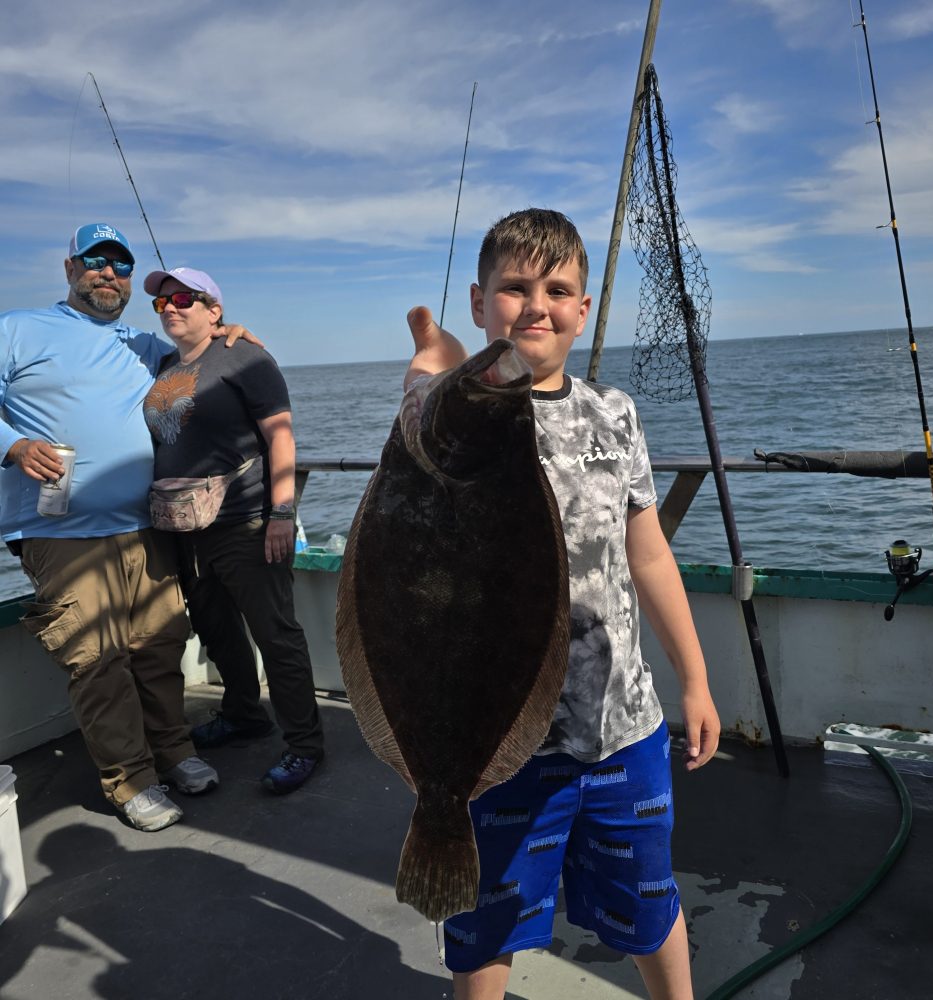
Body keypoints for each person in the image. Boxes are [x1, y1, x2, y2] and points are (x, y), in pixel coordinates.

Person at [403, 209, 721, 1000]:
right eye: (514, 288)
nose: (535, 304)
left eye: (558, 288)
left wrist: (696, 677)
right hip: (498, 745)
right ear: (480, 304)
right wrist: (433, 373)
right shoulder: (451, 413)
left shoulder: (615, 414)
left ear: (582, 309)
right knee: (487, 925)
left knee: (650, 904)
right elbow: (421, 426)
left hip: (622, 728)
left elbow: (647, 553)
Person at [0, 223, 256, 832]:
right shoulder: (18, 328)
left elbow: (199, 352)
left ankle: (175, 753)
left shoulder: (143, 344)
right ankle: (132, 780)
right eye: (94, 261)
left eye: (118, 264)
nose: (107, 273)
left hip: (145, 525)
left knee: (159, 645)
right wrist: (12, 445)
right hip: (60, 533)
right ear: (69, 268)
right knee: (97, 658)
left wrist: (233, 337)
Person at [142, 266, 324, 794]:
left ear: (214, 310)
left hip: (245, 521)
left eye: (183, 298)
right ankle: (245, 715)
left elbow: (281, 438)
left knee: (276, 636)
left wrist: (281, 515)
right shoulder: (162, 364)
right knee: (217, 631)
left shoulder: (247, 357)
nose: (171, 307)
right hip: (185, 528)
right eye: (161, 303)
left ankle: (305, 744)